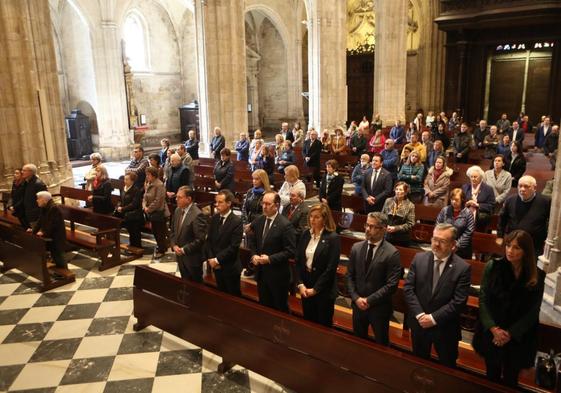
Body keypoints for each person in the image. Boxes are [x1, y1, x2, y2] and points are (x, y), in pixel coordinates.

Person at [472, 230, 545, 387]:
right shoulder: (493, 267)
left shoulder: (536, 275)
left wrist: (511, 333)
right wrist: (493, 328)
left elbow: (533, 310)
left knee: (511, 380)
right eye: (508, 245)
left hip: (518, 337)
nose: (510, 251)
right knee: (491, 377)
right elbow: (483, 299)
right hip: (493, 334)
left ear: (526, 251)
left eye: (516, 248)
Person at [403, 223, 471, 367]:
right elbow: (408, 289)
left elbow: (458, 302)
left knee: (447, 369)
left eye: (442, 241)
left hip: (445, 329)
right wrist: (420, 315)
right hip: (419, 325)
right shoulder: (419, 258)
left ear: (453, 244)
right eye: (434, 239)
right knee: (418, 366)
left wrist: (433, 318)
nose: (436, 244)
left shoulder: (462, 268)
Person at [346, 212, 401, 345]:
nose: (367, 229)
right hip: (358, 306)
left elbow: (391, 285)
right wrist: (356, 298)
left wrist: (369, 300)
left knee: (381, 345)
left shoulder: (392, 253)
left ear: (383, 229)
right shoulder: (357, 248)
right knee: (358, 344)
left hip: (379, 309)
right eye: (367, 225)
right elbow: (350, 276)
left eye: (372, 226)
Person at [248, 191, 296, 312]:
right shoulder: (259, 221)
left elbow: (290, 251)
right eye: (263, 203)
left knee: (280, 308)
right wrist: (253, 255)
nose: (264, 206)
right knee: (264, 307)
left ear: (277, 205)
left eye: (268, 204)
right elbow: (253, 241)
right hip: (262, 274)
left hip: (278, 276)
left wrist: (270, 259)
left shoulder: (285, 225)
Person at [294, 204, 340, 326]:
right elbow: (298, 261)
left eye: (317, 217)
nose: (312, 220)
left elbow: (331, 269)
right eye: (311, 217)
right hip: (306, 285)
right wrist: (300, 284)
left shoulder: (332, 238)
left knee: (323, 324)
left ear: (325, 219)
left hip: (323, 289)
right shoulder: (305, 234)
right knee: (308, 322)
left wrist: (315, 289)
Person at [497, 175, 551, 256]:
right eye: (520, 186)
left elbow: (552, 222)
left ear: (534, 188)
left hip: (534, 246)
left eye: (526, 186)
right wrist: (500, 236)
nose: (522, 189)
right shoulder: (510, 200)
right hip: (513, 244)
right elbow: (502, 219)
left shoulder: (545, 202)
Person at [204, 190, 243, 296]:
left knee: (233, 297)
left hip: (230, 267)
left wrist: (217, 260)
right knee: (221, 294)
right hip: (216, 266)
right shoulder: (215, 218)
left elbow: (233, 247)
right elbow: (209, 241)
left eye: (220, 202)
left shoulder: (236, 221)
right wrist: (212, 259)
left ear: (229, 203)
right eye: (216, 202)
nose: (216, 205)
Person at [170, 186, 208, 282]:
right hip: (180, 256)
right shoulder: (177, 210)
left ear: (189, 199)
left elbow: (200, 239)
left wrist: (184, 250)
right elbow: (173, 231)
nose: (176, 199)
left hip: (192, 258)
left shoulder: (197, 215)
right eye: (176, 196)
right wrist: (174, 245)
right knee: (184, 283)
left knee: (195, 285)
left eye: (179, 197)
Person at [31, 191, 68, 272]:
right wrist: (33, 231)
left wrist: (43, 232)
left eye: (38, 199)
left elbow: (53, 224)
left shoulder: (54, 208)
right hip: (50, 236)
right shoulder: (44, 207)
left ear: (44, 200)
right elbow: (40, 221)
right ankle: (60, 272)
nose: (37, 200)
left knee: (59, 256)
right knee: (55, 255)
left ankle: (66, 274)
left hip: (57, 237)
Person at [436, 188, 475, 259]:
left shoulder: (468, 213)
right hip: (445, 245)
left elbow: (469, 232)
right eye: (452, 199)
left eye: (456, 200)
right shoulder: (445, 210)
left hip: (462, 250)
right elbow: (438, 225)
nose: (453, 202)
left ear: (462, 200)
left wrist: (457, 245)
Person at [143, 166, 170, 259]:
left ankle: (162, 249)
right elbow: (145, 197)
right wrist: (144, 206)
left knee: (160, 232)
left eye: (148, 175)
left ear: (154, 175)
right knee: (155, 231)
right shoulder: (148, 183)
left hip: (159, 212)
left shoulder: (159, 185)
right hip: (151, 212)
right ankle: (161, 245)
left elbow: (158, 201)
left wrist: (148, 209)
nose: (147, 176)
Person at [115, 172, 144, 250]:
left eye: (127, 179)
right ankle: (132, 247)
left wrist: (123, 208)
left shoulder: (136, 190)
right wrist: (118, 206)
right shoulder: (123, 188)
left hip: (134, 215)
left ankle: (137, 248)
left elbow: (134, 204)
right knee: (130, 232)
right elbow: (120, 199)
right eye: (124, 179)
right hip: (126, 214)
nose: (125, 181)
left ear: (132, 181)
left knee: (135, 233)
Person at [381, 182, 415, 246]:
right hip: (387, 235)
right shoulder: (388, 201)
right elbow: (382, 216)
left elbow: (410, 224)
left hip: (401, 238)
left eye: (400, 190)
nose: (398, 191)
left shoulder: (410, 205)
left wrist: (396, 228)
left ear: (405, 192)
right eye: (396, 189)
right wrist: (385, 225)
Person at [462, 165, 495, 231]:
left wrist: (478, 205)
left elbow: (491, 205)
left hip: (481, 218)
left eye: (475, 177)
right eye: (471, 177)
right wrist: (466, 203)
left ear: (480, 177)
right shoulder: (465, 187)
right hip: (465, 215)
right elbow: (461, 201)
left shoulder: (488, 189)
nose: (473, 179)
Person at [18, 164, 47, 229]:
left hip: (35, 216)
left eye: (24, 170)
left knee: (37, 235)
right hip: (28, 214)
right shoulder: (27, 182)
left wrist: (38, 216)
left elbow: (44, 202)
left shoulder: (38, 184)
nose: (22, 172)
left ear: (31, 172)